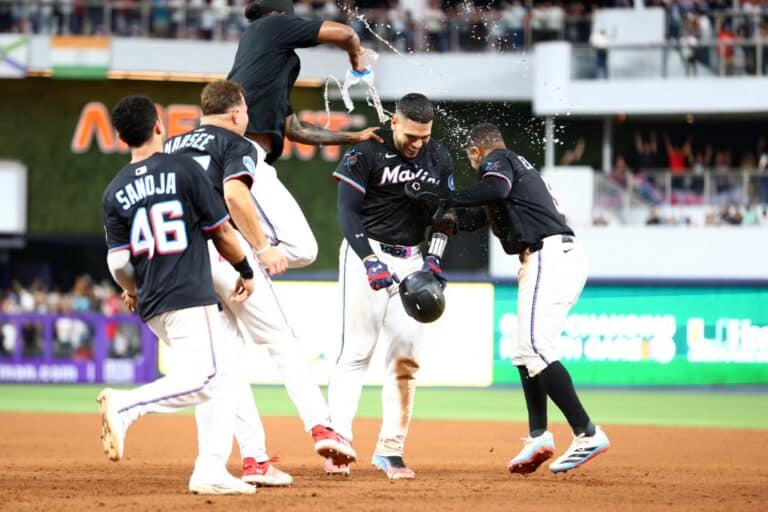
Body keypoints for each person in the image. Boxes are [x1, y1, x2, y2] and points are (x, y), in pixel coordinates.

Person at [166, 79, 354, 486]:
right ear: (236, 113)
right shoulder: (236, 144)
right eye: (246, 111)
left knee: (227, 365)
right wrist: (262, 246)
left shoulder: (170, 147)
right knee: (280, 341)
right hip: (225, 253)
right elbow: (235, 197)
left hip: (182, 267)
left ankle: (255, 459)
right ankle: (321, 426)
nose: (247, 116)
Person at [405, 123, 610, 475]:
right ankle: (539, 436)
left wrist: (446, 196)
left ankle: (586, 432)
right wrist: (446, 214)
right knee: (524, 350)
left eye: (472, 159)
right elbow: (479, 211)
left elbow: (493, 190)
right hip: (549, 257)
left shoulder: (497, 161)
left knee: (536, 346)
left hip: (549, 255)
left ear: (476, 151)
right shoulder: (515, 169)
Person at [98, 95, 256, 495]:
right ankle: (126, 406)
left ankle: (211, 470)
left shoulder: (114, 191)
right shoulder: (184, 169)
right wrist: (245, 269)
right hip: (187, 292)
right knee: (206, 378)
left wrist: (131, 290)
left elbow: (118, 264)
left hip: (151, 302)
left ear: (121, 137)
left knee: (222, 376)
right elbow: (221, 232)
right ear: (158, 127)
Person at [327, 93, 456, 479]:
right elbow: (346, 211)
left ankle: (390, 449)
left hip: (413, 258)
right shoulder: (368, 149)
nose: (418, 144)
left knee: (406, 359)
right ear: (394, 123)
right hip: (365, 249)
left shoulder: (439, 156)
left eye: (425, 136)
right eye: (412, 135)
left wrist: (434, 258)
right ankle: (338, 442)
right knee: (357, 350)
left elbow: (446, 213)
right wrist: (369, 259)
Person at [226, 0, 383, 270]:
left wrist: (354, 137)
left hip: (232, 153)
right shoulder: (273, 25)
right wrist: (357, 58)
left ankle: (230, 268)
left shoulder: (266, 57)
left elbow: (296, 130)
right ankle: (230, 265)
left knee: (246, 243)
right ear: (284, 16)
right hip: (241, 153)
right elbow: (346, 34)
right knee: (301, 248)